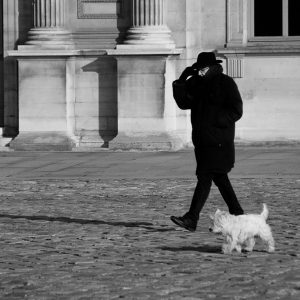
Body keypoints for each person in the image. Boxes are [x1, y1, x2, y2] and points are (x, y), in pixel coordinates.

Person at [170, 52, 244, 232]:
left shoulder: (225, 82)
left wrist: (216, 121)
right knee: (219, 177)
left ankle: (192, 218)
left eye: (204, 68)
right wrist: (182, 78)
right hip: (202, 140)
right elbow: (183, 103)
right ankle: (239, 215)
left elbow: (236, 110)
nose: (201, 72)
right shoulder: (195, 83)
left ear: (212, 67)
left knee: (205, 177)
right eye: (199, 68)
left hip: (219, 140)